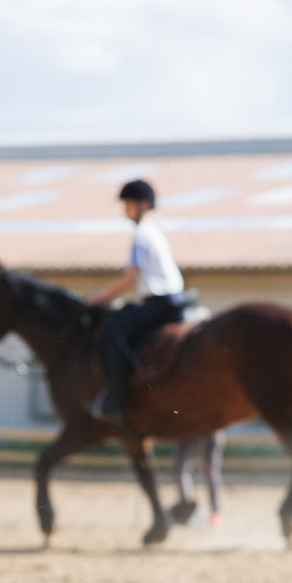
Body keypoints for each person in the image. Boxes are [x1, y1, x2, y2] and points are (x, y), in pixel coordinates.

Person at [87, 179, 190, 425]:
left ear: (142, 205)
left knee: (111, 333)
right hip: (170, 298)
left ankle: (117, 400)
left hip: (161, 301)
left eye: (128, 205)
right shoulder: (153, 230)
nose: (125, 211)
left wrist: (100, 296)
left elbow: (132, 274)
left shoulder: (142, 233)